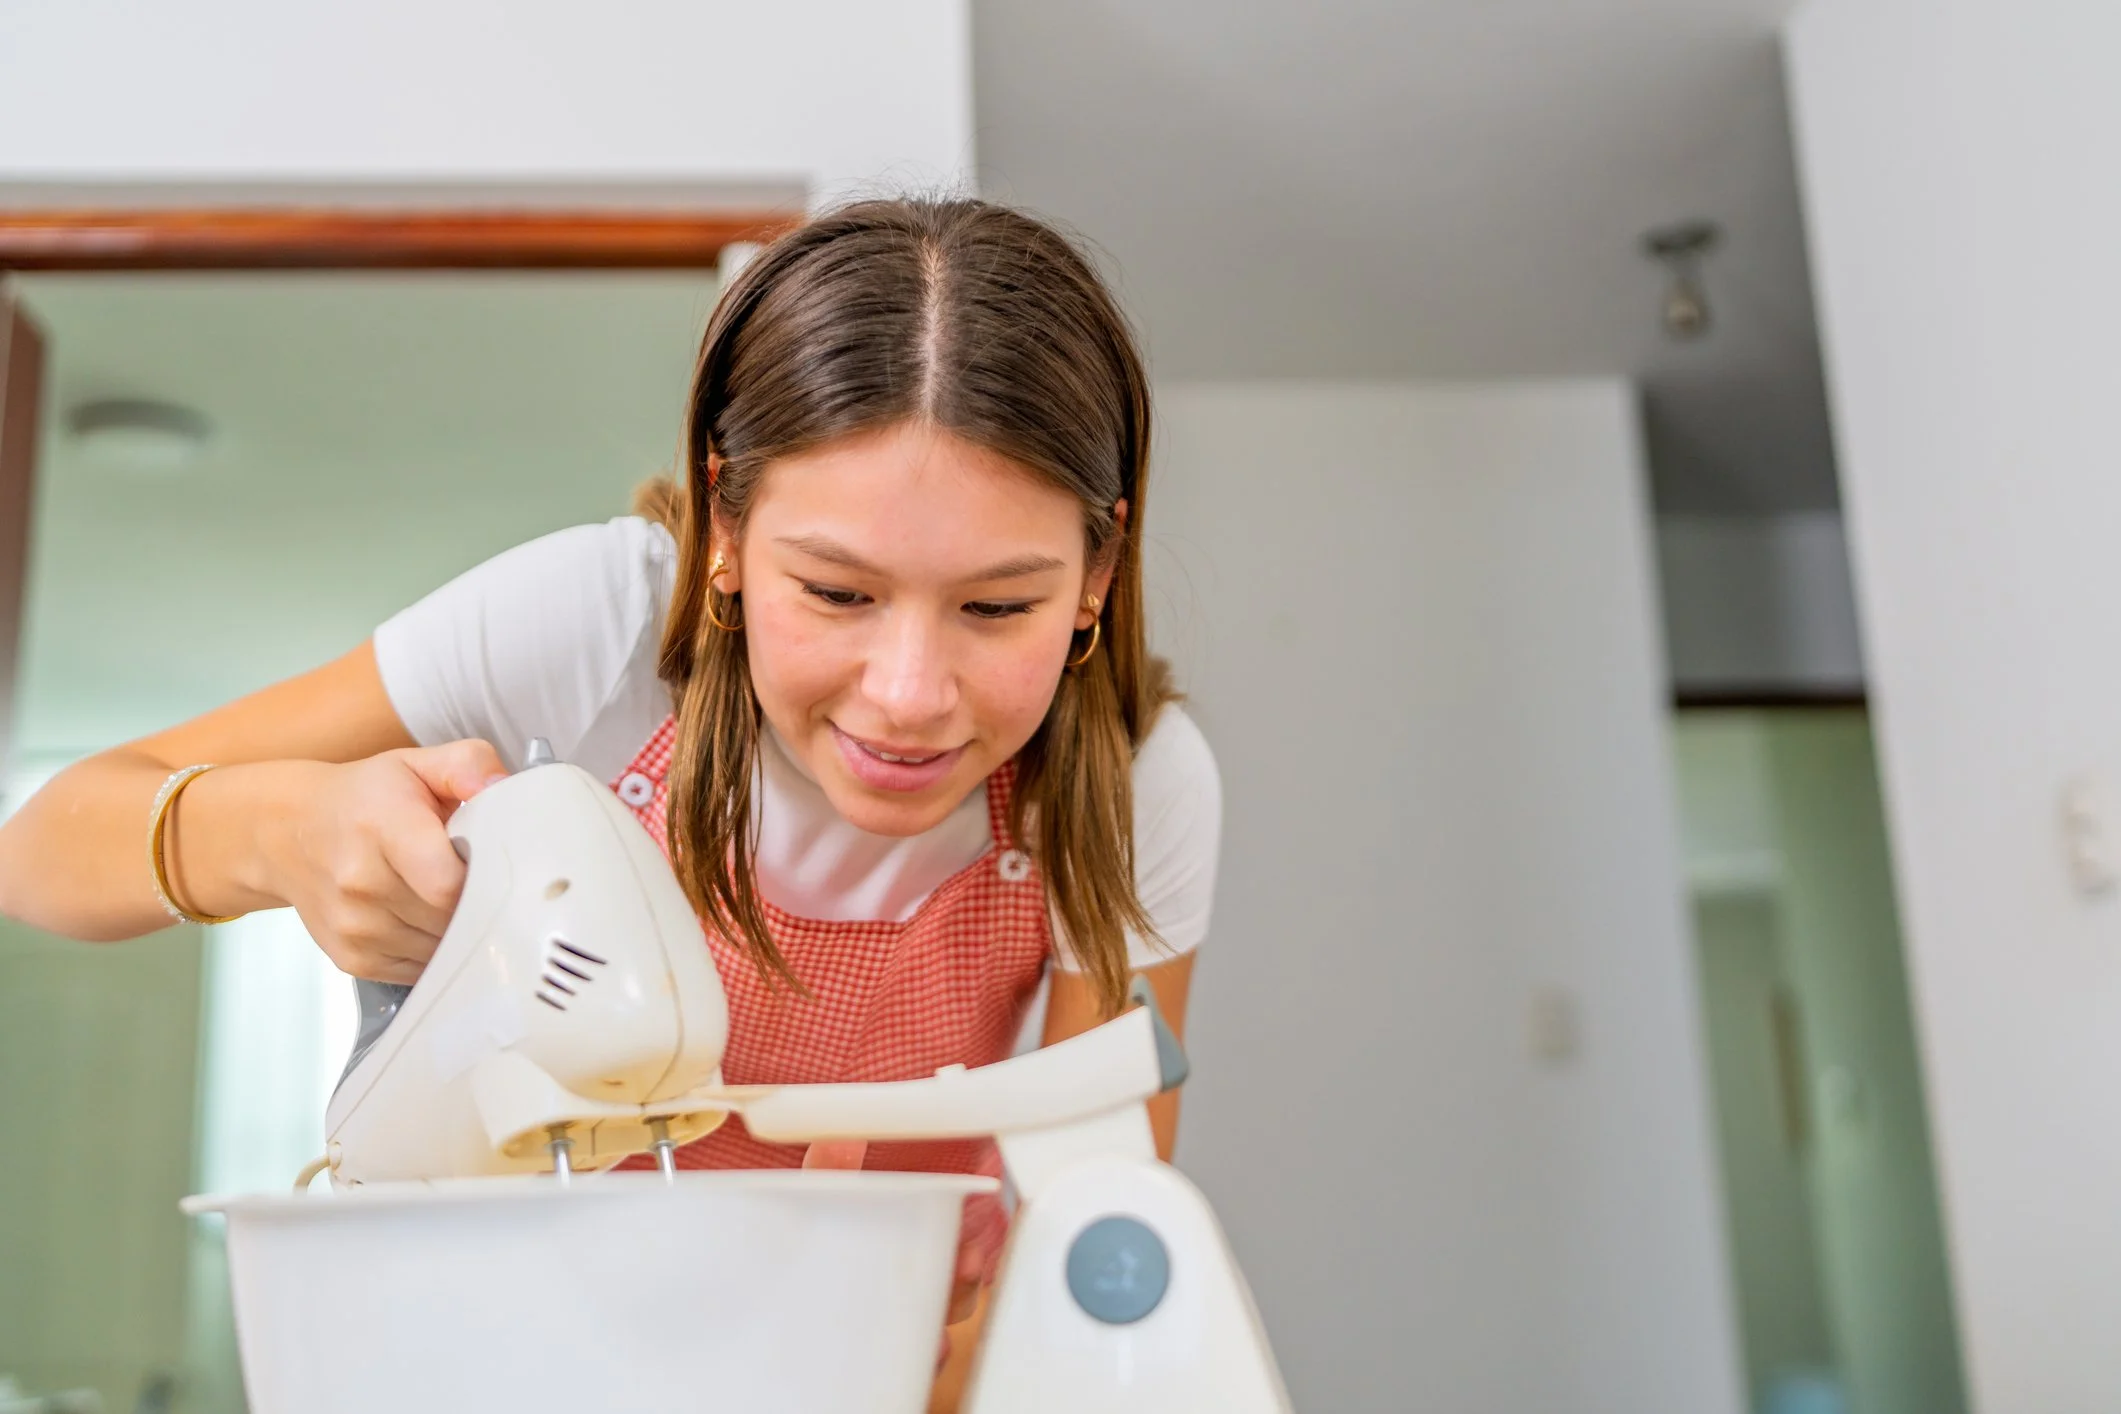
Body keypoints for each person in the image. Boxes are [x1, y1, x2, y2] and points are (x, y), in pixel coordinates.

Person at [0, 196, 1220, 1405]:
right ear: (728, 525)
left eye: (996, 607)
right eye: (838, 594)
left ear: (1097, 571)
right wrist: (278, 834)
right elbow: (43, 849)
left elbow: (1081, 1248)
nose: (908, 696)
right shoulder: (595, 635)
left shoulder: (1127, 786)